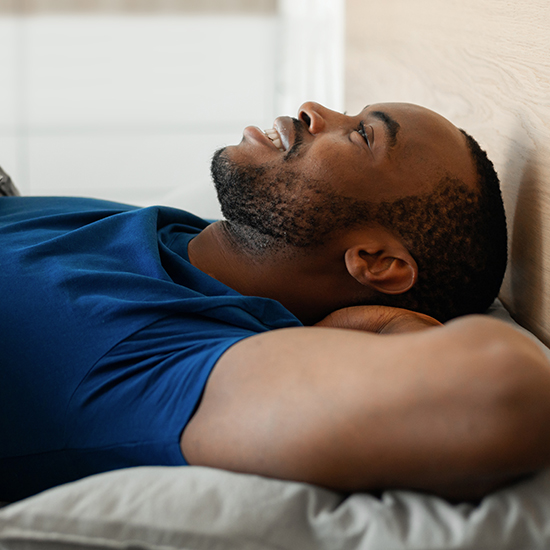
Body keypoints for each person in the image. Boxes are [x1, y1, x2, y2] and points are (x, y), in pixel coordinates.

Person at [1, 102, 549, 503]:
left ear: (377, 263)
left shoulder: (164, 357)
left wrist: (381, 328)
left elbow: (504, 395)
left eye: (361, 136)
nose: (314, 110)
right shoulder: (175, 236)